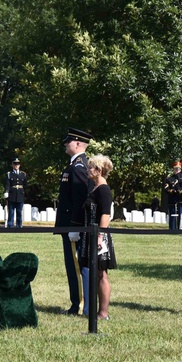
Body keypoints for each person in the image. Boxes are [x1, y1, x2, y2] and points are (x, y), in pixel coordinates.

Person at [56, 127, 93, 315]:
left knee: (76, 266)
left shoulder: (79, 167)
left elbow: (80, 199)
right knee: (73, 266)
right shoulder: (75, 165)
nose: (65, 144)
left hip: (73, 225)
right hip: (69, 224)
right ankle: (77, 303)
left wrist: (76, 226)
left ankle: (79, 306)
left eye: (68, 141)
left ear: (78, 144)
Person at [78, 155, 116, 319]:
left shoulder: (104, 189)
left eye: (90, 167)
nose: (87, 170)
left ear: (99, 170)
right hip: (90, 235)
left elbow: (106, 215)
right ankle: (97, 310)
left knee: (102, 273)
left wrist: (100, 237)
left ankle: (103, 312)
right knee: (97, 272)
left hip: (99, 236)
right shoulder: (95, 187)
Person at [4, 158, 27, 228]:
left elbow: (25, 185)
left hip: (20, 195)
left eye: (18, 164)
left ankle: (19, 226)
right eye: (15, 164)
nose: (16, 165)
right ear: (12, 165)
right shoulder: (9, 174)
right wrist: (6, 191)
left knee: (19, 212)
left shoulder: (23, 174)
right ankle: (10, 225)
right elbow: (7, 184)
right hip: (12, 194)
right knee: (11, 212)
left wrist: (24, 194)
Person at [163, 161, 182, 231]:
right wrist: (173, 191)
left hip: (180, 199)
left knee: (181, 215)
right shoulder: (169, 179)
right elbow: (166, 189)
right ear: (173, 169)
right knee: (172, 215)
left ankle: (180, 229)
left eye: (179, 169)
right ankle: (172, 229)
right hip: (172, 199)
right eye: (176, 169)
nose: (177, 171)